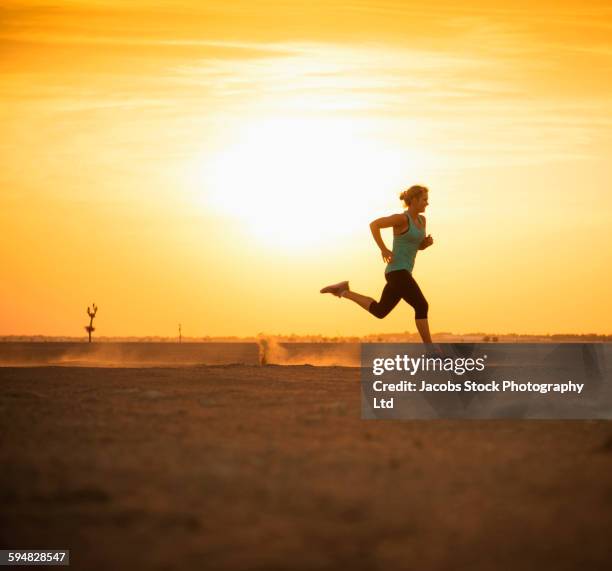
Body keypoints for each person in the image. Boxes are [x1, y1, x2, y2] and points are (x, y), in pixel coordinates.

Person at [320, 185, 434, 343]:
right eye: (424, 200)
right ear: (414, 200)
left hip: (403, 272)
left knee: (380, 311)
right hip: (396, 272)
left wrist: (425, 244)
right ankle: (431, 350)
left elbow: (415, 245)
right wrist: (384, 249)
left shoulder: (422, 221)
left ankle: (343, 291)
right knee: (421, 305)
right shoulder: (401, 218)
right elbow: (374, 225)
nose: (427, 203)